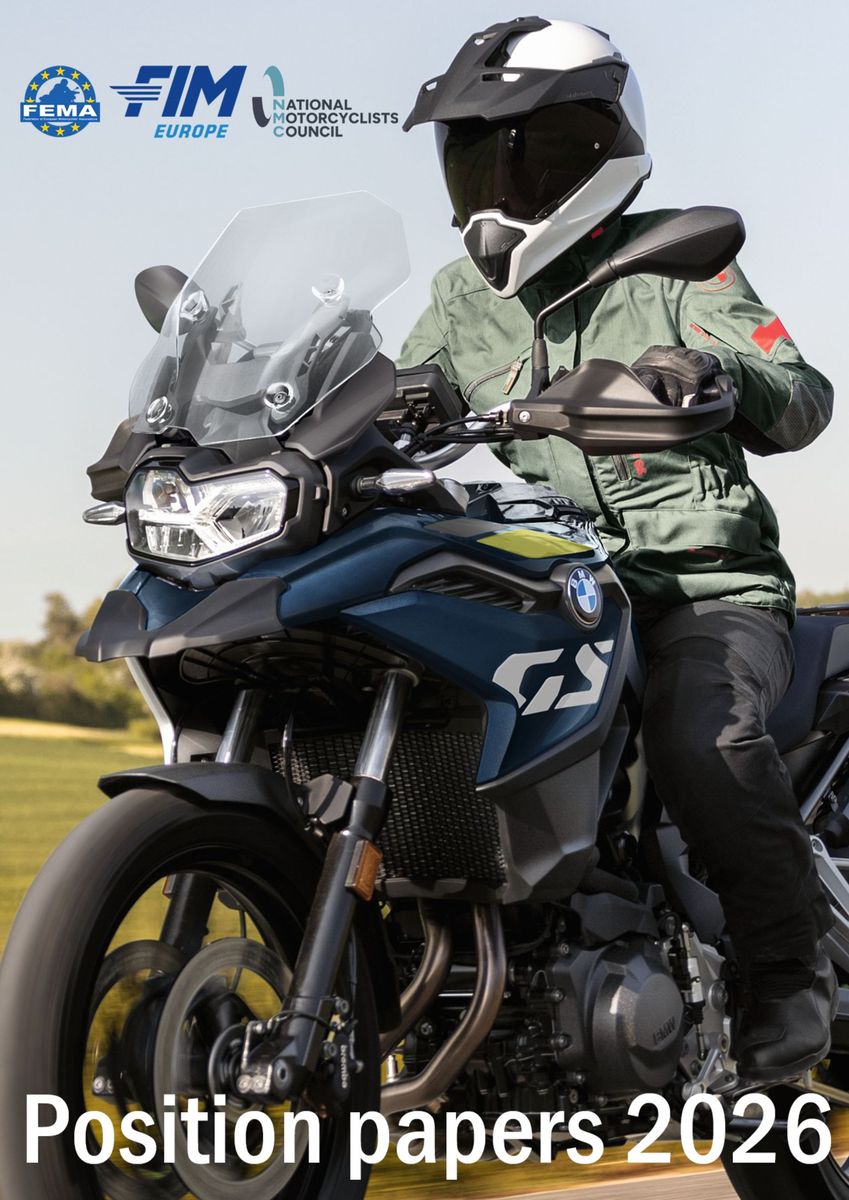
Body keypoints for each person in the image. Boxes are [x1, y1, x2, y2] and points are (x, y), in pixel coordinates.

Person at [397, 16, 836, 1082]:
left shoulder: (681, 260)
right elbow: (389, 402)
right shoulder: (461, 300)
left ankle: (788, 977)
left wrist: (716, 377)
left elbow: (802, 396)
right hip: (549, 587)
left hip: (697, 588)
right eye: (474, 156)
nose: (496, 186)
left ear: (595, 147)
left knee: (703, 736)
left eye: (522, 153)